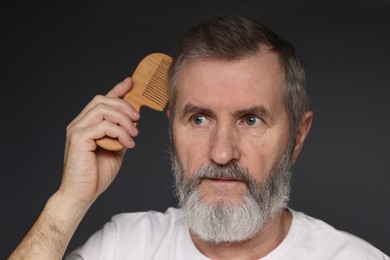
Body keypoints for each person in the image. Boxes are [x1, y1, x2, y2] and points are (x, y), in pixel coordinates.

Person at [9, 15, 389, 260]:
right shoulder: (124, 245)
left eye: (251, 120)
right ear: (172, 125)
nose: (221, 153)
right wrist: (69, 201)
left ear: (298, 136)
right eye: (200, 118)